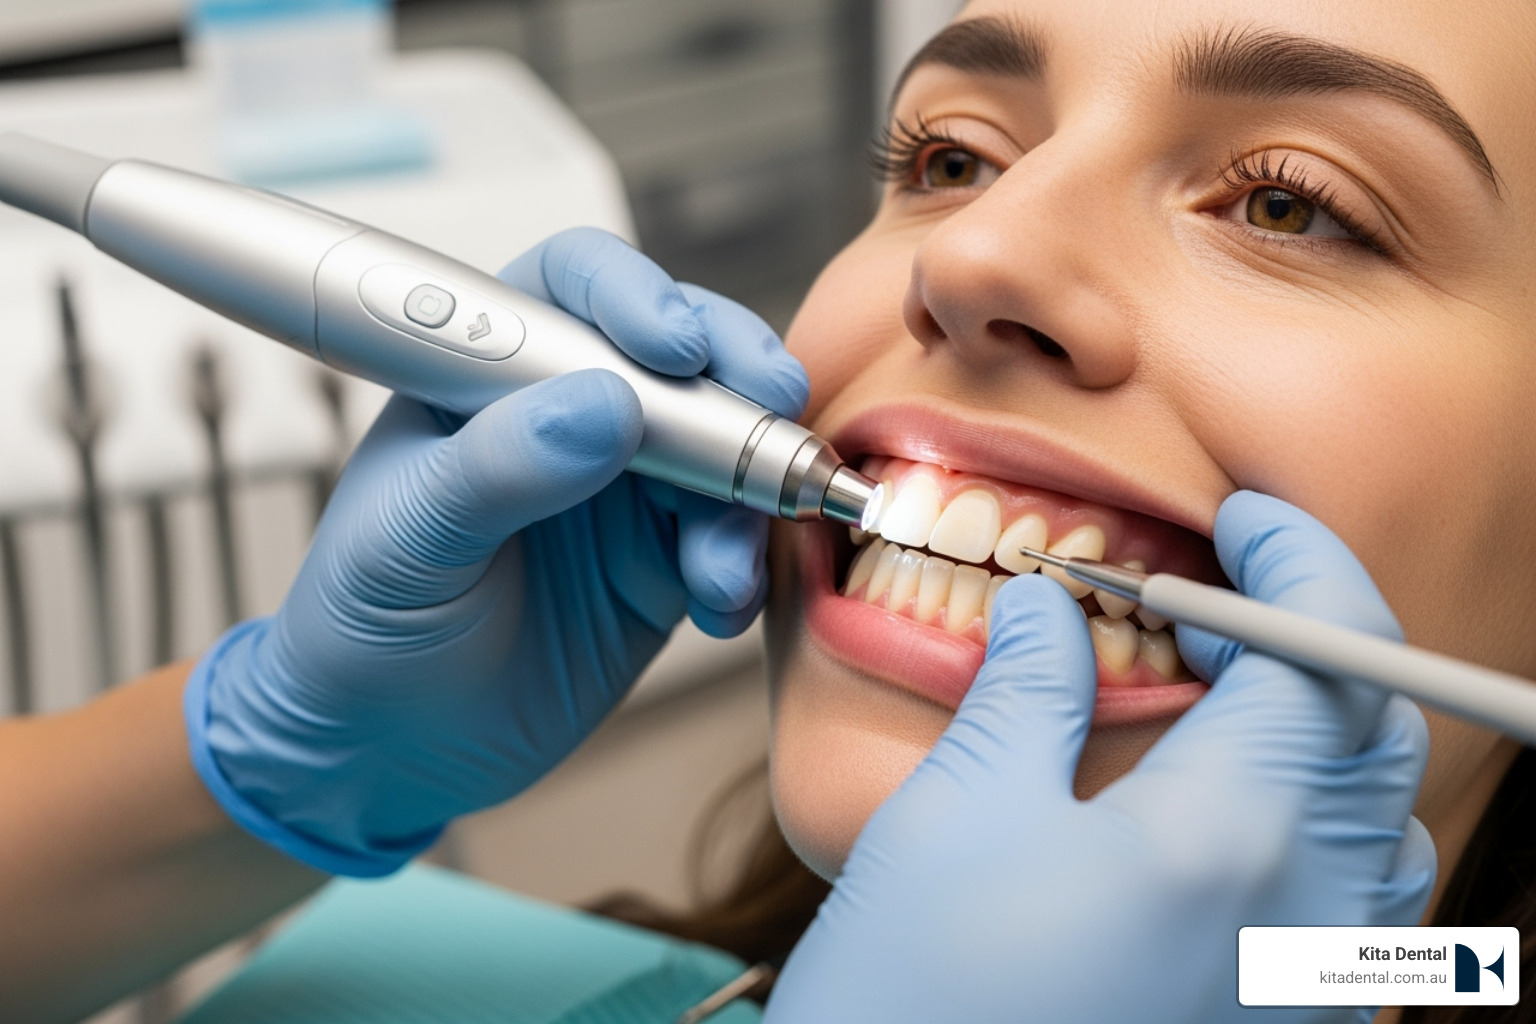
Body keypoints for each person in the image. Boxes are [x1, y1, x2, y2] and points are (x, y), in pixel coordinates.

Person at [2, 0, 1528, 1021]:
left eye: (1288, 201)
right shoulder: (436, 985)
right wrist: (277, 763)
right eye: (950, 155)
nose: (976, 249)